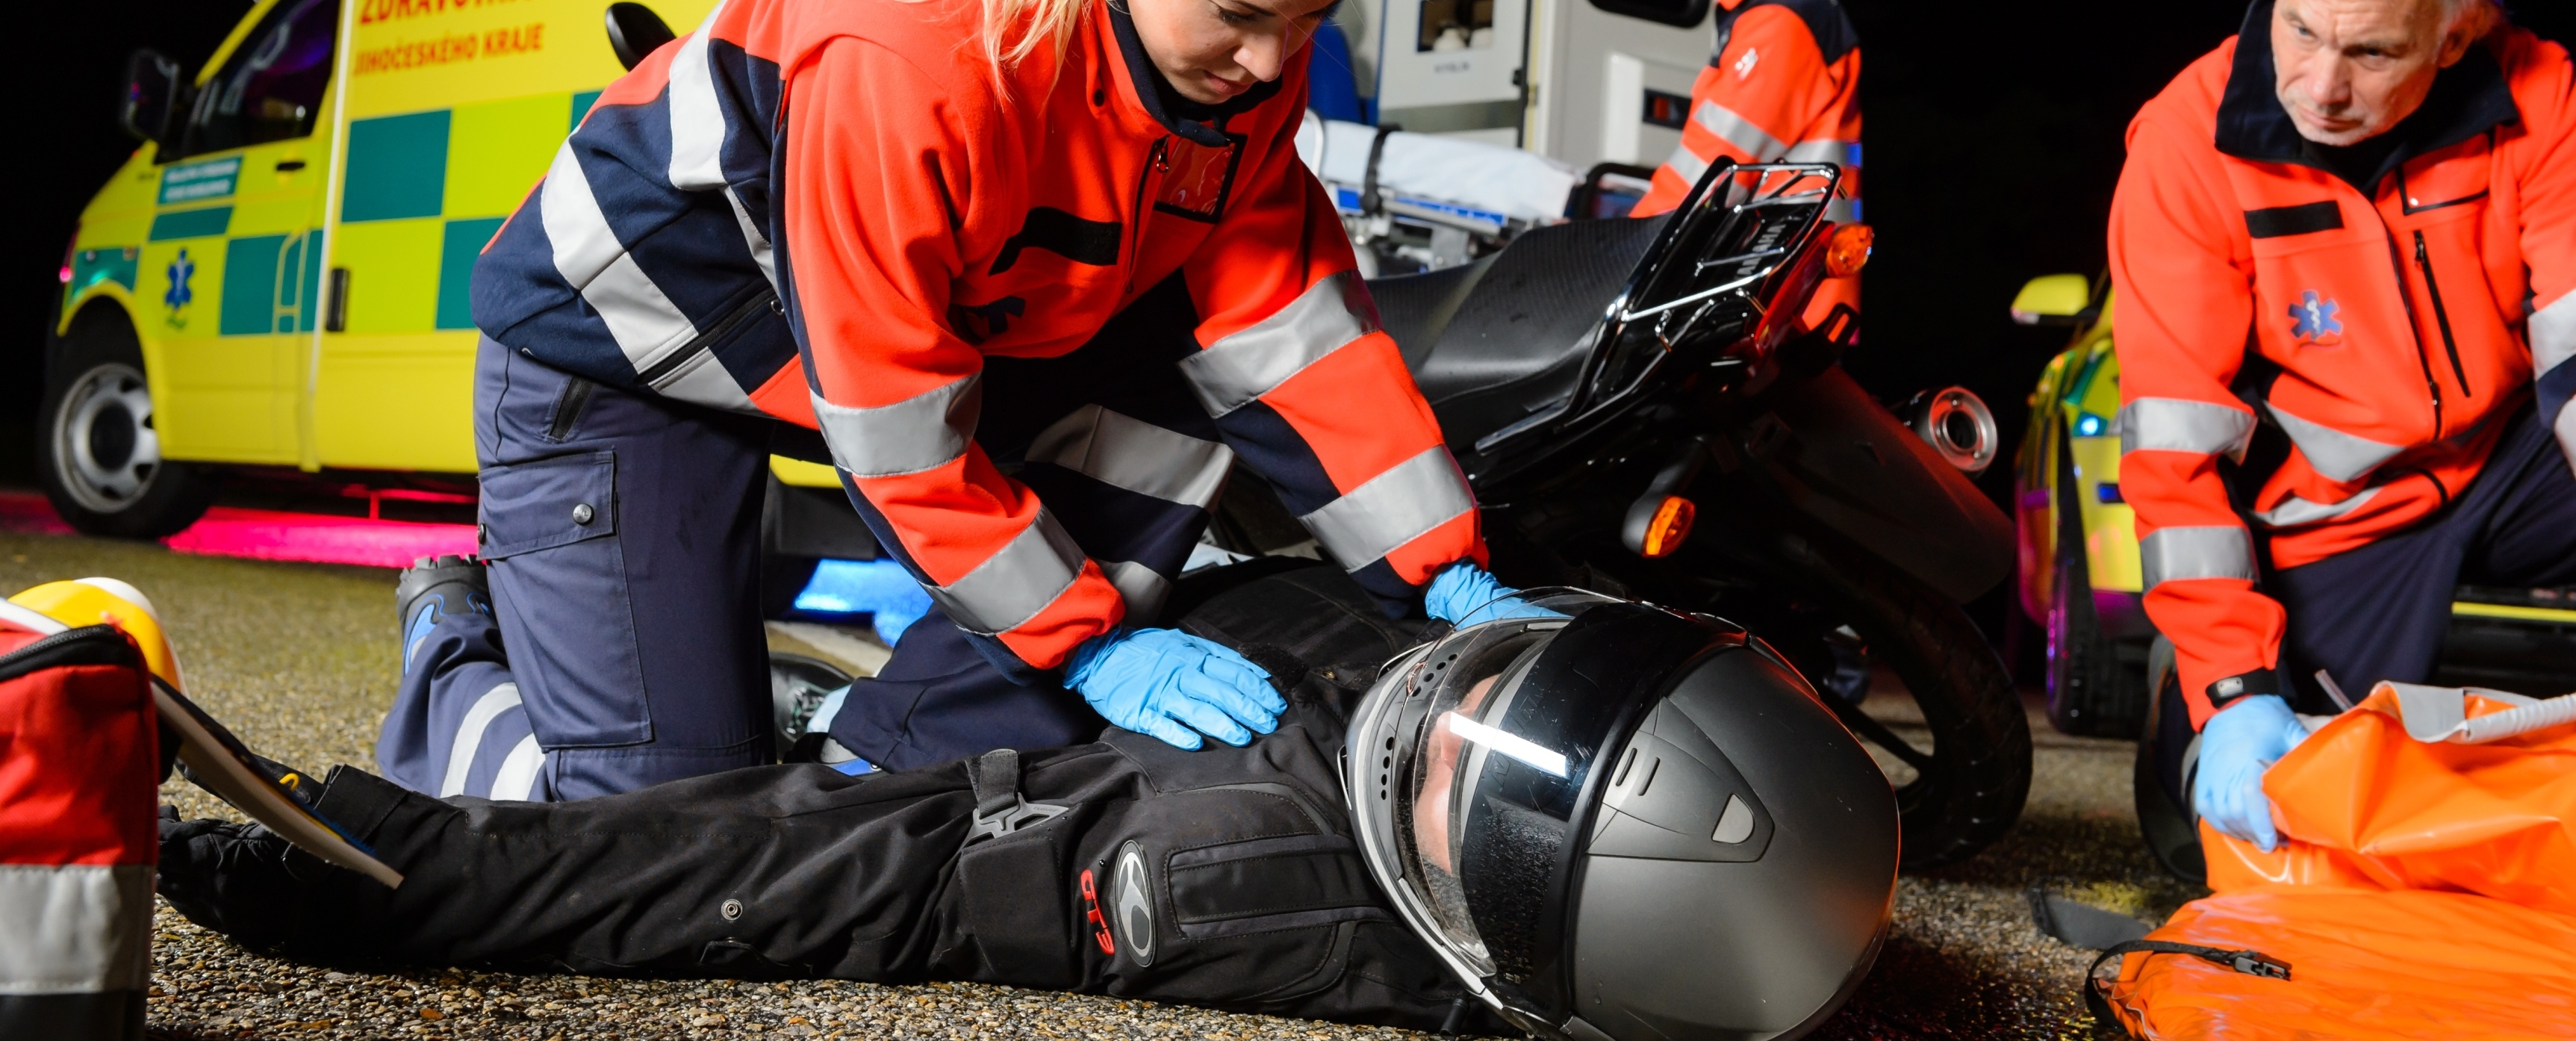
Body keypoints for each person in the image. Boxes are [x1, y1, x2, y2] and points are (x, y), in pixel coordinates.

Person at [391, 0, 1540, 804]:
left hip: (853, 354)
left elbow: (1279, 319)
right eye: (1237, 13)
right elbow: (894, 418)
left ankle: (869, 767)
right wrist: (1085, 646)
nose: (1267, 62)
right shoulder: (915, 48)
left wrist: (1440, 568)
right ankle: (455, 643)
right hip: (627, 350)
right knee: (652, 829)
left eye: (1309, 19)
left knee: (1165, 412)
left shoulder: (1236, 55)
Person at [159, 564, 1900, 1040]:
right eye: (1524, 688)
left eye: (1479, 782)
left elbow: (815, 879)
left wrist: (363, 869)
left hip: (1006, 711)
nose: (1451, 716)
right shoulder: (1447, 705)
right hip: (1066, 622)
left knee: (620, 788)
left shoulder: (1233, 876)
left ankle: (450, 645)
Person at [2109, 0, 2576, 853]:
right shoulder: (2182, 146)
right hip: (2338, 516)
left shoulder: (2539, 92)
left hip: (2512, 460)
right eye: (2301, 30)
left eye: (2370, 52)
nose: (2318, 87)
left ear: (2454, 37)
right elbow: (2174, 452)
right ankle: (2188, 697)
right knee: (2232, 834)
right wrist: (2231, 690)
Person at [1630, 0, 1863, 326]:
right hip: (1788, 284)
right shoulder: (1775, 1)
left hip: (1784, 294)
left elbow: (1715, 172)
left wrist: (1623, 250)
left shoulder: (1782, 14)